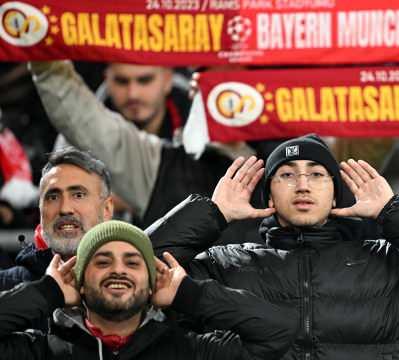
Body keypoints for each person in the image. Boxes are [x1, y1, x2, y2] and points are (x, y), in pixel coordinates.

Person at [147, 134, 399, 360]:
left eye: (316, 174)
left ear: (335, 192)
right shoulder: (225, 265)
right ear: (268, 195)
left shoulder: (384, 264)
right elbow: (133, 270)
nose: (302, 185)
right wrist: (213, 212)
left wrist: (393, 210)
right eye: (286, 174)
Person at [0, 220, 295, 360]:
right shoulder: (40, 352)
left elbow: (277, 332)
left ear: (153, 281)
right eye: (103, 261)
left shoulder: (191, 352)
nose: (118, 269)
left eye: (132, 262)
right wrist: (47, 292)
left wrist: (189, 294)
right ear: (78, 281)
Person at [30, 61, 234, 230]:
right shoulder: (78, 132)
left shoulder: (203, 112)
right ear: (106, 79)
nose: (133, 93)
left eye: (144, 80)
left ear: (167, 79)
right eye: (121, 81)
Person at [0, 148, 113, 291]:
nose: (65, 209)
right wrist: (50, 294)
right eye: (53, 197)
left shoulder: (136, 285)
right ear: (40, 211)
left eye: (78, 195)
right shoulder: (5, 286)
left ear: (107, 209)